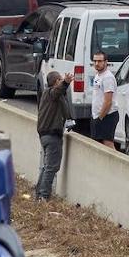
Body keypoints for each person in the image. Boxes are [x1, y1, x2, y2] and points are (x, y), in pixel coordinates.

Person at [35, 70, 73, 201]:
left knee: (47, 167)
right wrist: (66, 83)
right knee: (51, 167)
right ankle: (43, 197)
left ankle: (39, 193)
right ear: (56, 81)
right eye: (60, 79)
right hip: (52, 135)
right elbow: (58, 91)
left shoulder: (47, 94)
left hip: (44, 135)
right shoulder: (52, 93)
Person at [89, 51, 118, 149]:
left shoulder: (108, 77)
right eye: (95, 61)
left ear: (106, 62)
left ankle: (115, 164)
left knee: (108, 143)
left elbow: (108, 101)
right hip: (97, 115)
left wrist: (100, 118)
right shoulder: (98, 75)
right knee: (98, 144)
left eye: (100, 61)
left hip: (107, 116)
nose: (97, 63)